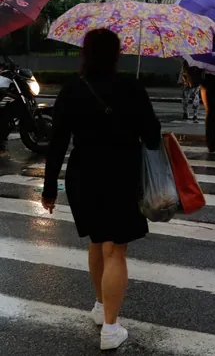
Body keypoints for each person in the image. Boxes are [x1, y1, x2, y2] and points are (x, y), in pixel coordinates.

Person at [41, 29, 161, 350]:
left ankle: (99, 305)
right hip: (122, 176)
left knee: (97, 241)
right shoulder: (131, 87)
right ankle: (111, 327)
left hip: (84, 176)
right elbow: (152, 136)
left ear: (85, 54)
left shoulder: (71, 90)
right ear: (116, 55)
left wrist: (49, 187)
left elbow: (57, 144)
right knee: (115, 250)